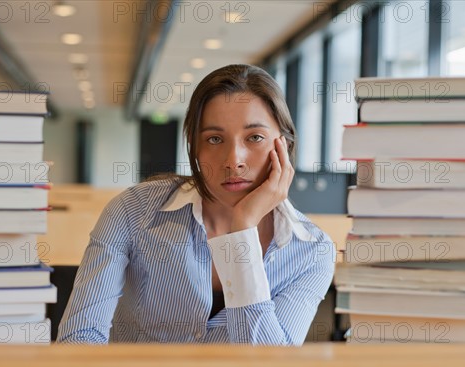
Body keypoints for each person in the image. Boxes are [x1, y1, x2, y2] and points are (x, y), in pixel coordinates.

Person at [57, 64, 335, 345]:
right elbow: (78, 338)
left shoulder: (312, 251)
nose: (233, 160)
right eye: (214, 139)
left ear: (283, 146)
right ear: (194, 148)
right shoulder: (133, 211)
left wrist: (243, 231)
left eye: (255, 137)